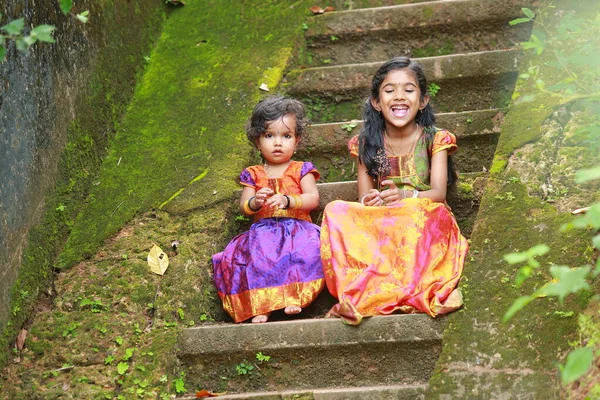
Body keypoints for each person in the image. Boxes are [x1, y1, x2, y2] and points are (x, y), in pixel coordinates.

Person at [320, 57, 468, 325]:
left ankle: (399, 292)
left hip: (425, 213)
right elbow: (364, 200)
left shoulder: (436, 138)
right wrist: (374, 200)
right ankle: (356, 293)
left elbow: (438, 193)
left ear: (422, 100)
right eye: (389, 90)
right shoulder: (367, 143)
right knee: (335, 209)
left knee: (412, 210)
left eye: (408, 90)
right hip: (386, 218)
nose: (399, 97)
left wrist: (406, 197)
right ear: (376, 102)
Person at [212, 96, 325, 323]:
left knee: (305, 252)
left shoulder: (301, 169)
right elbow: (245, 207)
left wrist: (289, 200)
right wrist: (256, 202)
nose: (277, 143)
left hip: (297, 229)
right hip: (264, 231)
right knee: (259, 258)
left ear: (297, 140)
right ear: (257, 141)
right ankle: (262, 304)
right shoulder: (253, 173)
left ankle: (295, 296)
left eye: (286, 136)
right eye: (269, 135)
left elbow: (313, 198)